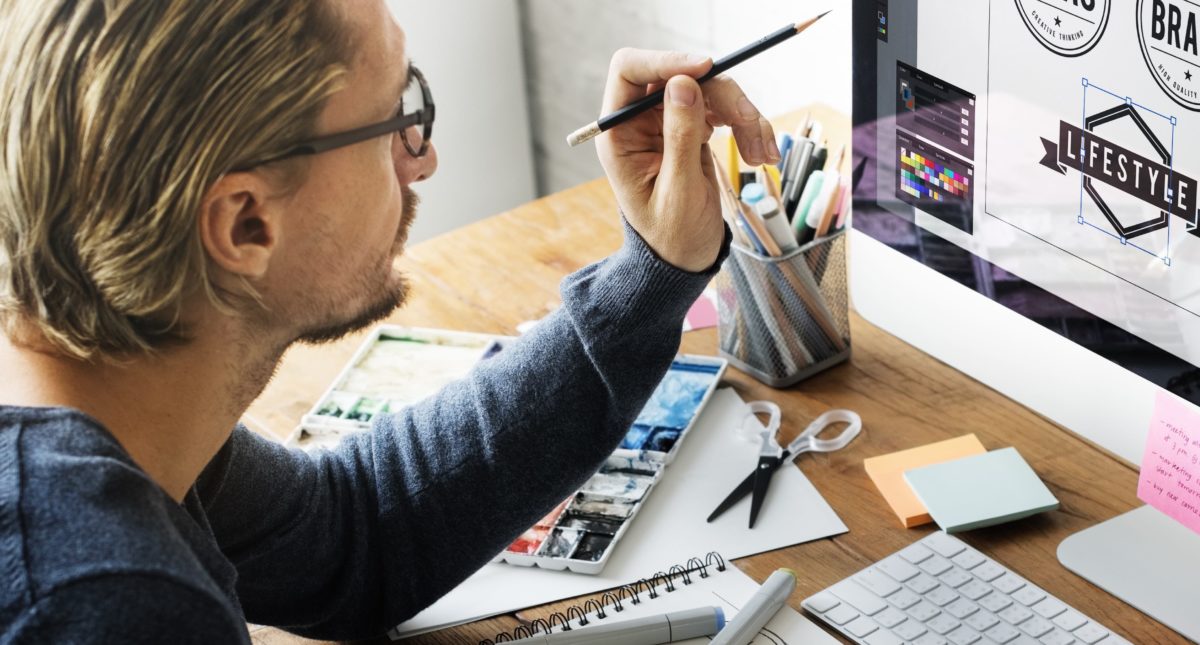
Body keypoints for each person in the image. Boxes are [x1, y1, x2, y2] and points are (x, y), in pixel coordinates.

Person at [0, 1, 781, 641]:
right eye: (395, 116)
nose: (422, 158)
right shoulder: (105, 605)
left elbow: (354, 538)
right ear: (244, 225)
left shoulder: (112, 404)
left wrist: (655, 269)